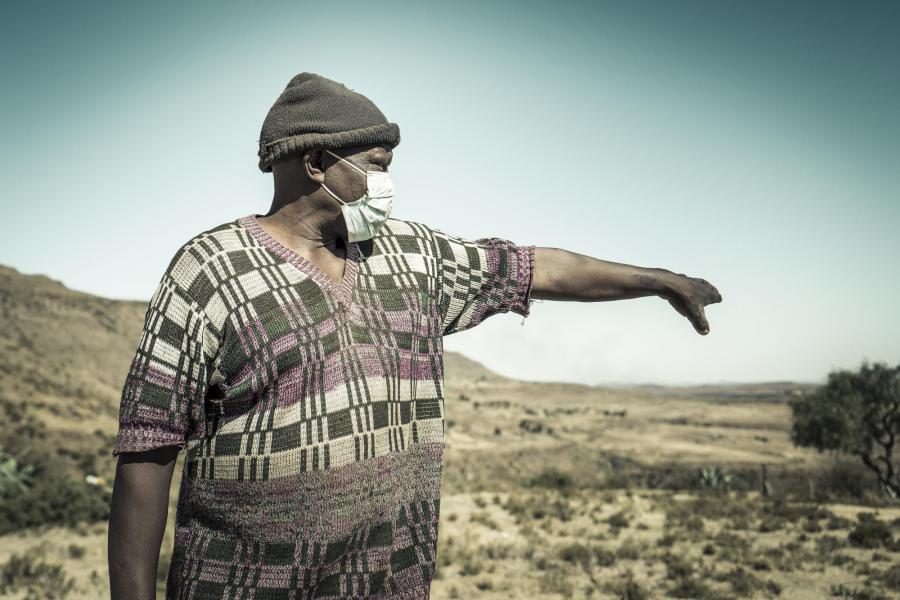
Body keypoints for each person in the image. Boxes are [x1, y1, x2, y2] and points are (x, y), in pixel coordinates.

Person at [107, 72, 722, 600]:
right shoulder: (210, 271)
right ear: (315, 162)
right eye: (375, 167)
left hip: (388, 581)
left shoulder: (412, 254)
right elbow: (147, 453)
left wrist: (655, 280)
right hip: (243, 585)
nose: (386, 186)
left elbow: (536, 268)